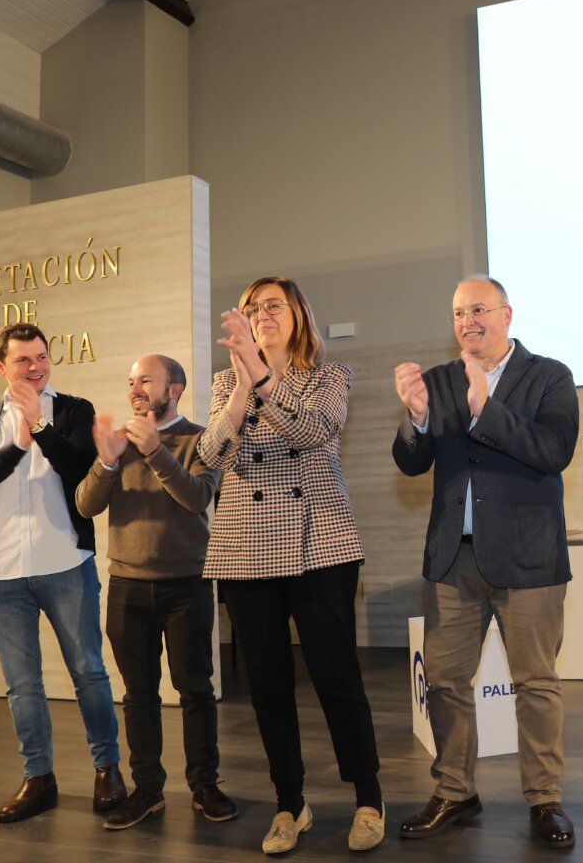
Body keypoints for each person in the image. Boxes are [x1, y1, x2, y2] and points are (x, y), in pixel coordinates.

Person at [198, 277, 384, 854]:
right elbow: (208, 458)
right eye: (252, 308)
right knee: (269, 686)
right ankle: (289, 803)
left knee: (334, 676)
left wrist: (261, 376)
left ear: (299, 314)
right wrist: (236, 399)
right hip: (244, 545)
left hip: (318, 545)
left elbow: (314, 430)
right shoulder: (226, 381)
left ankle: (369, 798)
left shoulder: (330, 376)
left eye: (273, 305)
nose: (262, 315)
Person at [392, 275, 579, 848]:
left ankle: (544, 800)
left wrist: (487, 410)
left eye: (478, 309)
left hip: (528, 558)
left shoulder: (550, 376)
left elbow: (554, 452)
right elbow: (410, 463)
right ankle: (455, 791)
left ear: (507, 314)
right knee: (445, 682)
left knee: (536, 684)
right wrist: (418, 417)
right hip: (454, 558)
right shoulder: (440, 380)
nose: (467, 321)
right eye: (457, 313)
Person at [0, 322, 125, 822]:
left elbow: (81, 468)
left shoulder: (75, 410)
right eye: (24, 360)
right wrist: (17, 445)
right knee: (21, 684)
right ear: (0, 365)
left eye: (42, 357)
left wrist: (43, 429)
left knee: (89, 672)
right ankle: (39, 778)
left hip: (65, 563)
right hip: (0, 570)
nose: (36, 367)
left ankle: (107, 770)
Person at [75, 354, 235, 830]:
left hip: (186, 585)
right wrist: (106, 460)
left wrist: (156, 451)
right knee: (138, 695)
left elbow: (198, 497)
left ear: (176, 388)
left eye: (146, 379)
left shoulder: (201, 438)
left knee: (195, 690)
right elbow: (86, 504)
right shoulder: (118, 443)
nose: (135, 388)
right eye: (131, 381)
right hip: (126, 585)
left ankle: (204, 785)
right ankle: (147, 791)